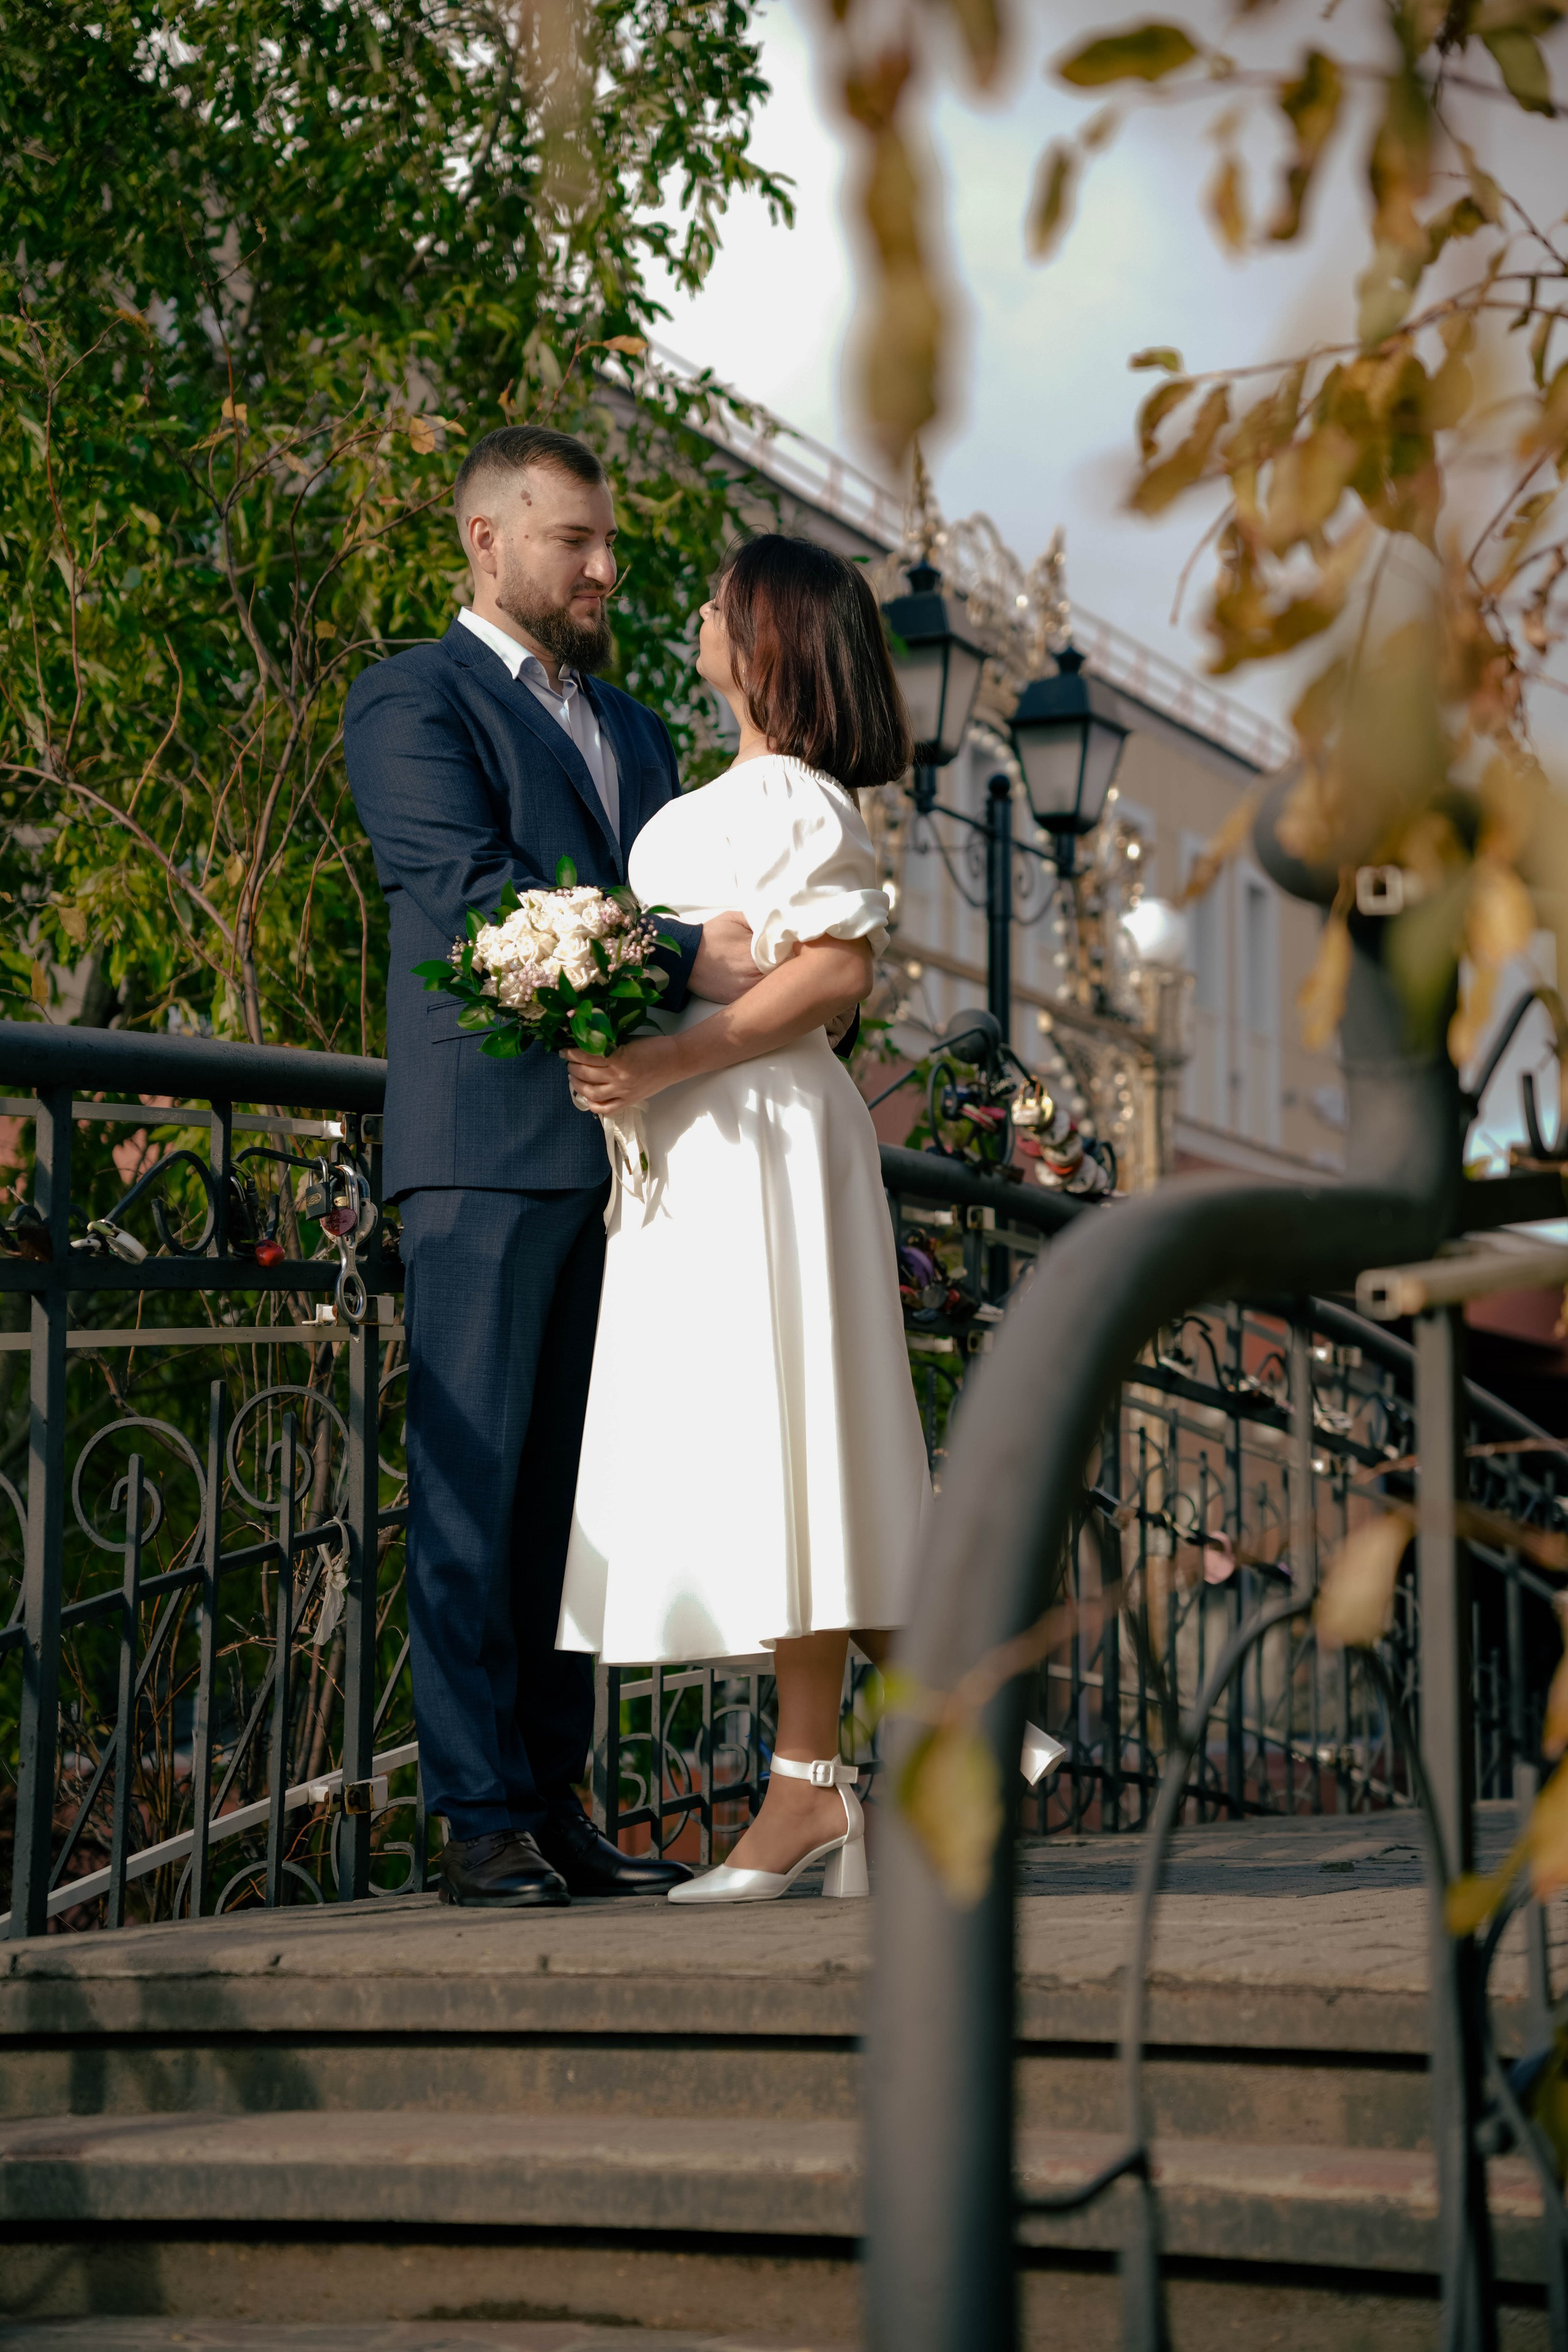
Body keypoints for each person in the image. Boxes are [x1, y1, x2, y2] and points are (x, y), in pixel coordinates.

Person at [344, 429, 859, 1907]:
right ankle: (476, 1817)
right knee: (469, 1485)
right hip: (485, 1157)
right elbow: (469, 902)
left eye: (610, 544)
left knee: (571, 1497)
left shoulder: (634, 728)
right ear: (487, 542)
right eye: (575, 541)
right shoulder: (410, 698)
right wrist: (700, 955)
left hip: (641, 1166)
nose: (605, 569)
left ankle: (555, 1805)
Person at [559, 533, 933, 1904]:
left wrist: (662, 1061)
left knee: (793, 1448)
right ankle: (941, 1728)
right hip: (700, 1152)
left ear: (764, 638)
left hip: (760, 1135)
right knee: (766, 1454)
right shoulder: (723, 792)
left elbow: (833, 972)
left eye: (719, 603)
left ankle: (806, 1794)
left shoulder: (798, 803)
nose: (698, 617)